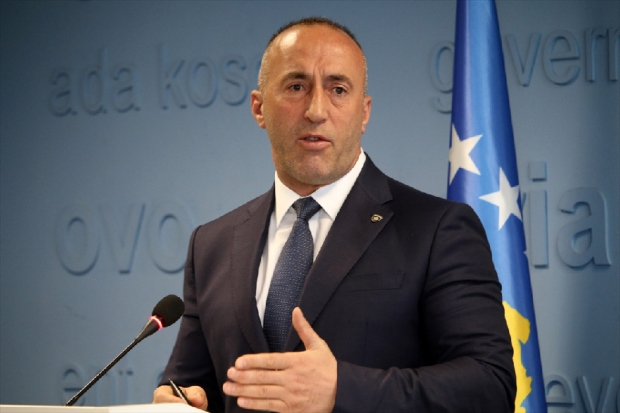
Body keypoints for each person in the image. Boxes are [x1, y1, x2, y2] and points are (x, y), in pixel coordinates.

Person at [153, 17, 516, 412]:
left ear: (364, 112)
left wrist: (342, 389)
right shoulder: (212, 244)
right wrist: (178, 401)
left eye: (338, 89)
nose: (316, 110)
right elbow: (189, 385)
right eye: (296, 87)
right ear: (259, 107)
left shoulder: (437, 229)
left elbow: (490, 384)